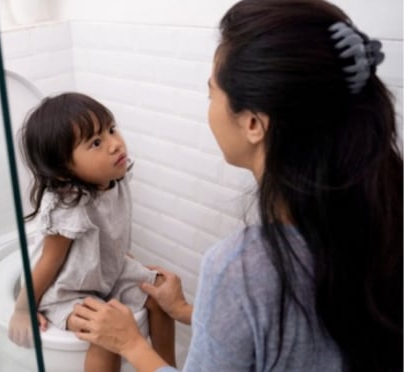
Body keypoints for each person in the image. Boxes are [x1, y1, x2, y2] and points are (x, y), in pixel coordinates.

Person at [68, 0, 403, 371]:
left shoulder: (241, 268)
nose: (209, 106)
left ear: (254, 124)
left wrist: (130, 343)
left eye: (212, 92)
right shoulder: (385, 214)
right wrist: (185, 311)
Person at [8, 92, 176, 371]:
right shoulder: (70, 206)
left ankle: (168, 367)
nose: (114, 145)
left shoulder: (114, 178)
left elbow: (111, 232)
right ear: (64, 170)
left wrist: (127, 262)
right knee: (104, 334)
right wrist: (23, 309)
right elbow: (48, 263)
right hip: (68, 290)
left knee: (160, 296)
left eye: (111, 129)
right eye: (96, 143)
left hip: (106, 273)